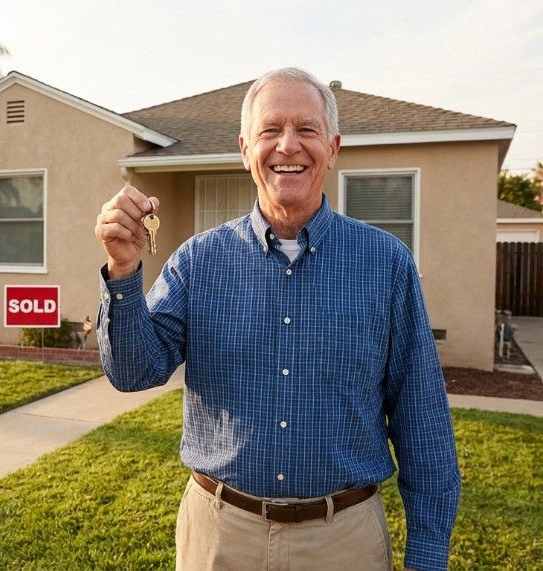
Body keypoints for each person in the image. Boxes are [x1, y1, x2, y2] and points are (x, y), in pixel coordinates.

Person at [93, 67, 459, 571]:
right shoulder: (198, 262)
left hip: (344, 542)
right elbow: (134, 371)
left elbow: (422, 420)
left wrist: (428, 552)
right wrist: (123, 269)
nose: (288, 146)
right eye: (270, 131)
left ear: (332, 148)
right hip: (219, 536)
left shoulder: (386, 264)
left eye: (306, 130)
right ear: (245, 150)